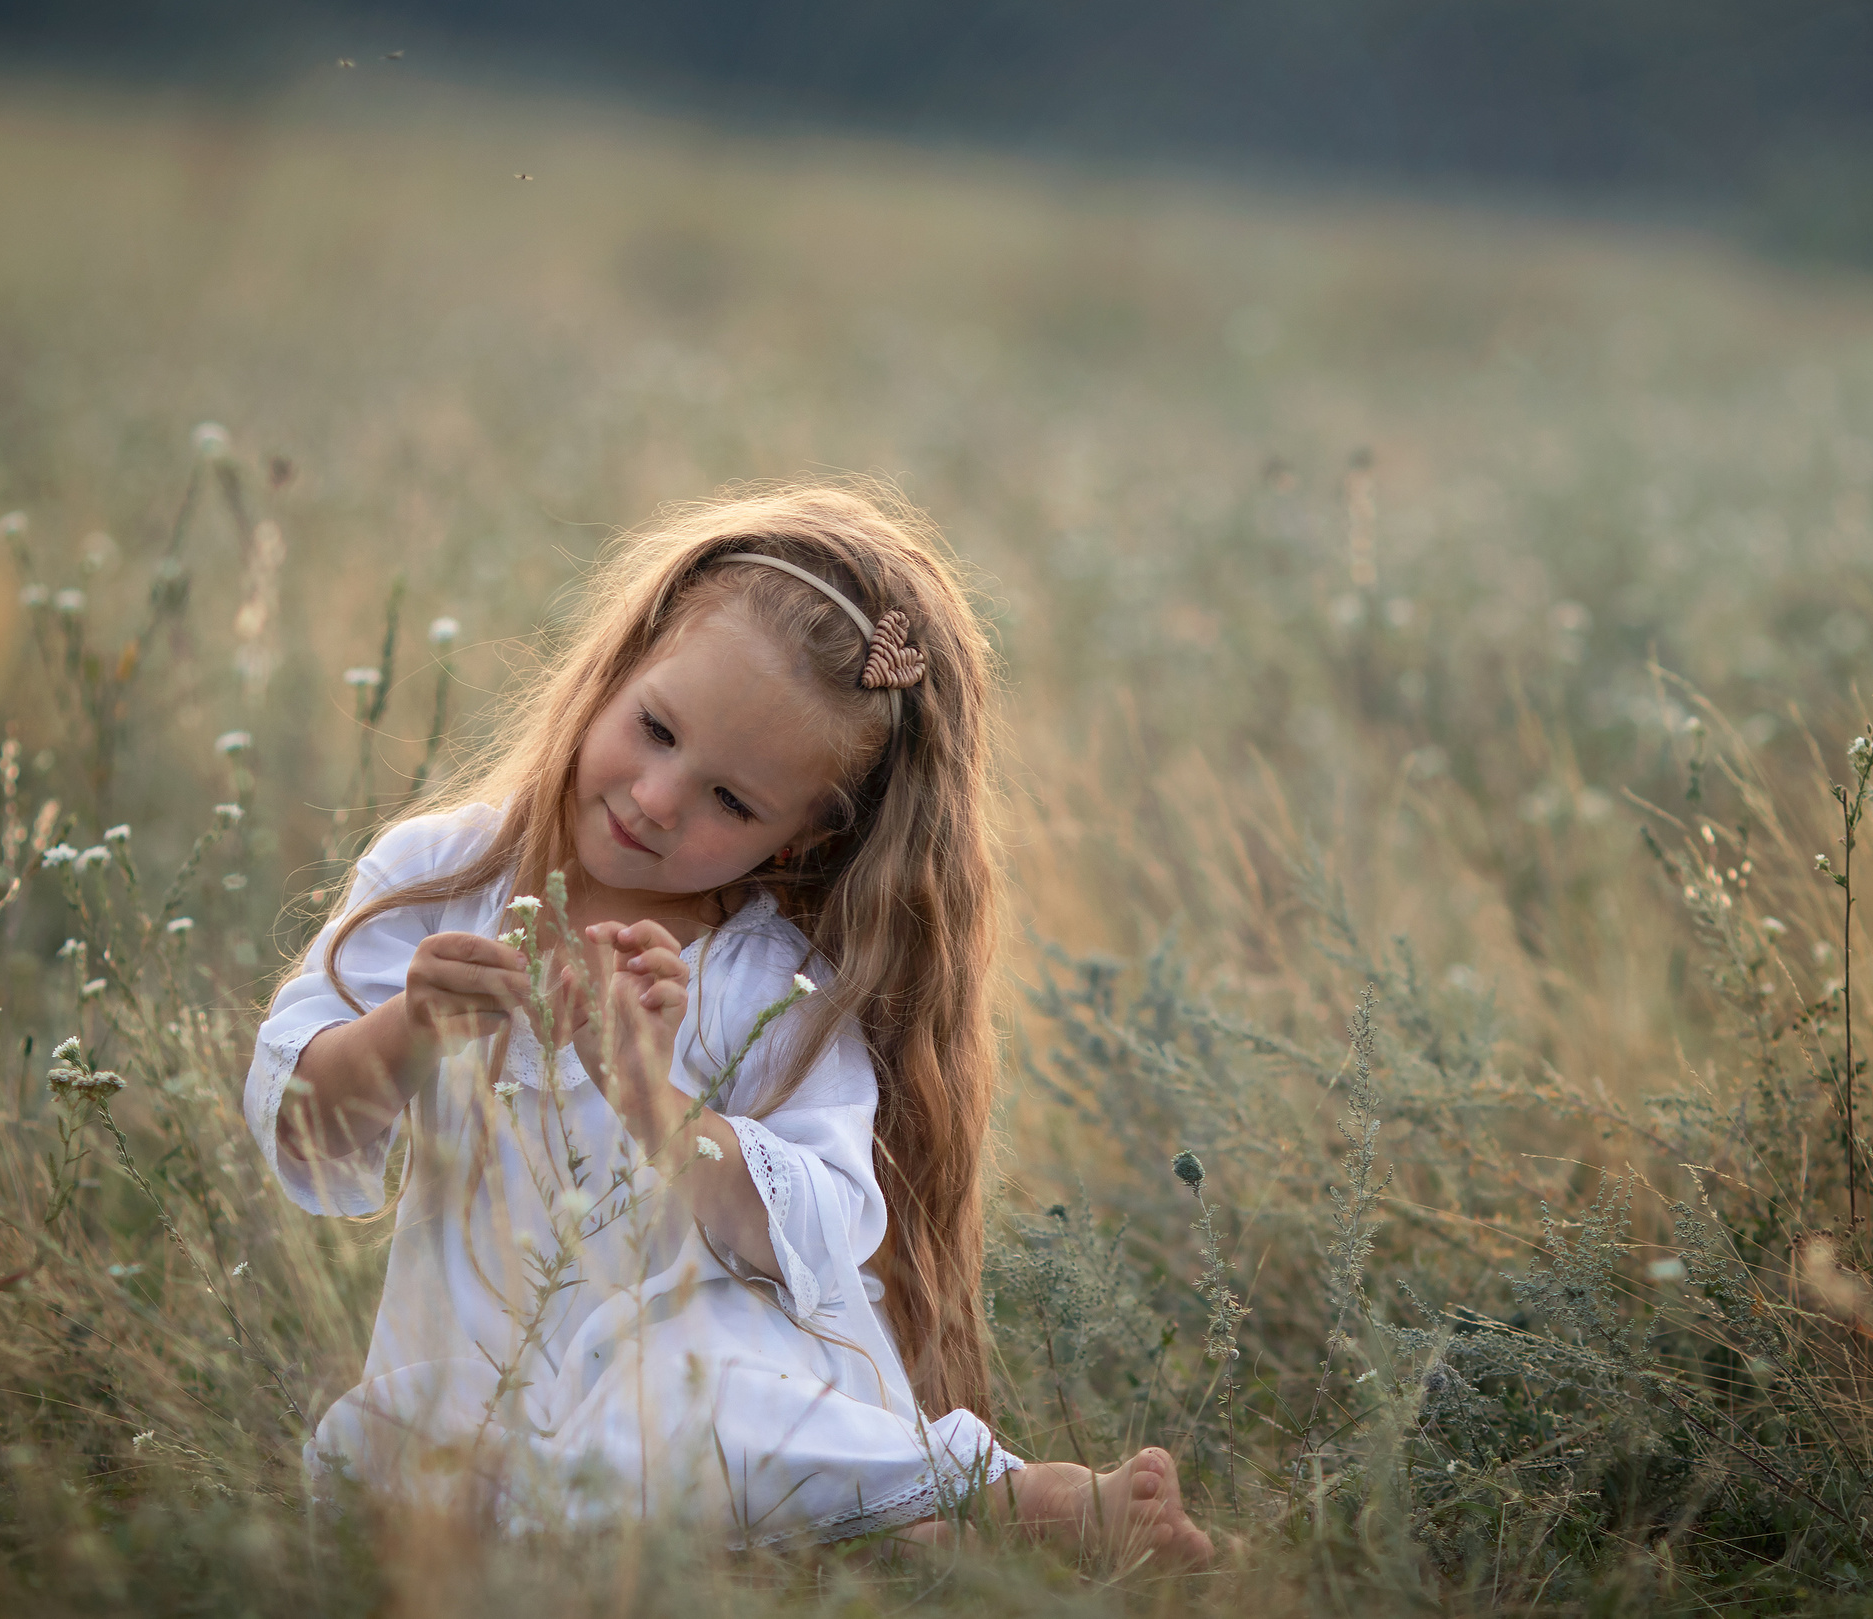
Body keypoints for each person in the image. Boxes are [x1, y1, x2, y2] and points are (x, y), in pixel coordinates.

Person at [245, 484, 1212, 1566]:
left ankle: (989, 1499)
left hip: (725, 1388)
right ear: (617, 668)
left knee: (662, 1408)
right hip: (494, 1380)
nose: (658, 799)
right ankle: (891, 1542)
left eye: (731, 803)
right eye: (654, 729)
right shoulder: (441, 877)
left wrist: (658, 1103)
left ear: (799, 840)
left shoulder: (774, 985)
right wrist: (409, 1030)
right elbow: (305, 1132)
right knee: (375, 1467)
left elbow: (824, 1227)